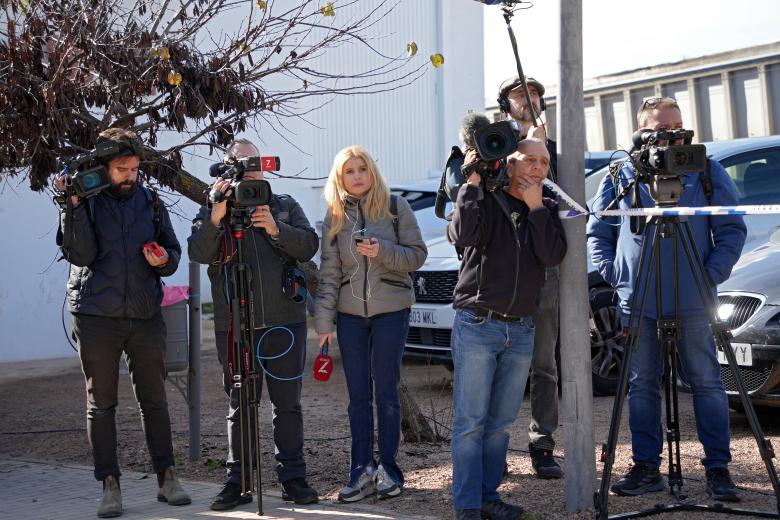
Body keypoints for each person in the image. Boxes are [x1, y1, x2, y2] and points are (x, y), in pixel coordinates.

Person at [587, 97, 747, 501]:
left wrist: (707, 276)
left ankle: (718, 470)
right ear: (641, 133)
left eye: (677, 126)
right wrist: (618, 276)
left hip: (694, 301)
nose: (672, 135)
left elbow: (731, 228)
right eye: (661, 128)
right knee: (641, 385)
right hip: (637, 302)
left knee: (707, 383)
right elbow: (598, 231)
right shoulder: (621, 173)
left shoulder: (705, 170)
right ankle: (646, 467)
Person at [55, 127, 190, 518]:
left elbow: (174, 250)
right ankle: (110, 486)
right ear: (104, 167)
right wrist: (73, 206)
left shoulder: (150, 200)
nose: (130, 175)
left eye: (134, 168)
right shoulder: (85, 200)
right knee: (102, 403)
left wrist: (162, 259)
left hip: (146, 314)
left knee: (155, 400)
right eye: (121, 168)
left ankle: (167, 478)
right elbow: (80, 256)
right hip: (96, 317)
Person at [188, 138, 320, 510]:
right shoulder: (216, 208)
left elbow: (309, 245)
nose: (251, 169)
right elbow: (198, 252)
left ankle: (293, 478)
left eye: (256, 162)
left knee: (287, 405)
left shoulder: (284, 205)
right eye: (243, 163)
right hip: (235, 325)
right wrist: (216, 216)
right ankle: (238, 481)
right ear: (229, 168)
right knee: (240, 403)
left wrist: (276, 229)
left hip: (284, 322)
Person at [447, 138, 567, 520]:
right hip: (478, 323)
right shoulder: (483, 198)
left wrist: (535, 210)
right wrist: (472, 183)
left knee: (499, 425)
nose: (537, 168)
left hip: (522, 330)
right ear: (508, 164)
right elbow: (462, 236)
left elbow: (552, 256)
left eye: (544, 162)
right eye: (528, 160)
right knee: (470, 423)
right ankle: (467, 505)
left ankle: (487, 497)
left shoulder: (546, 208)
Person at [314, 145, 427, 502]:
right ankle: (360, 470)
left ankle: (390, 471)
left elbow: (418, 256)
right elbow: (329, 274)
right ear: (340, 177)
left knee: (387, 395)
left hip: (391, 312)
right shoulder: (334, 217)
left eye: (362, 168)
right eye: (350, 171)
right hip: (350, 317)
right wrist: (323, 324)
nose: (358, 175)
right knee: (358, 398)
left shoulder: (396, 208)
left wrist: (384, 252)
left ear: (372, 171)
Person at [497, 75, 563, 479]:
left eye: (535, 94)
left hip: (545, 269)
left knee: (544, 364)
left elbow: (565, 197)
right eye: (520, 95)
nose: (529, 100)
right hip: (504, 271)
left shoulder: (555, 148)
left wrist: (545, 147)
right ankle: (495, 445)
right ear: (506, 105)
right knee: (501, 364)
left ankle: (542, 444)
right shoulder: (496, 142)